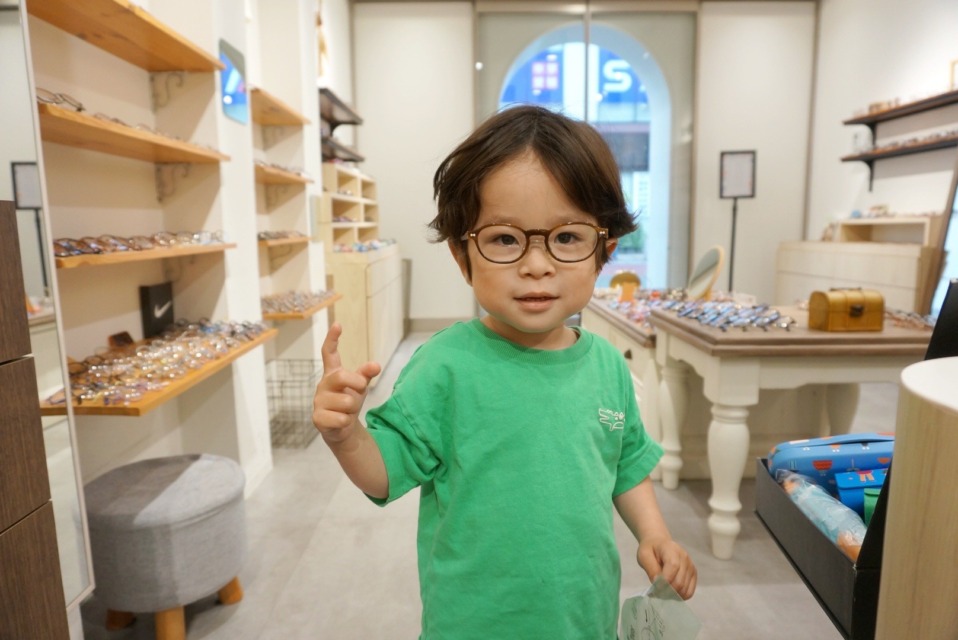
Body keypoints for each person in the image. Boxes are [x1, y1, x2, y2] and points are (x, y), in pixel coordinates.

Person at [312, 104, 697, 639]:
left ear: (603, 251)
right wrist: (346, 435)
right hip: (471, 624)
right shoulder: (446, 366)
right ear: (461, 255)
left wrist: (653, 534)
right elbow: (384, 473)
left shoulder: (607, 366)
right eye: (504, 239)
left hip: (582, 619)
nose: (536, 265)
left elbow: (626, 465)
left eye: (567, 237)